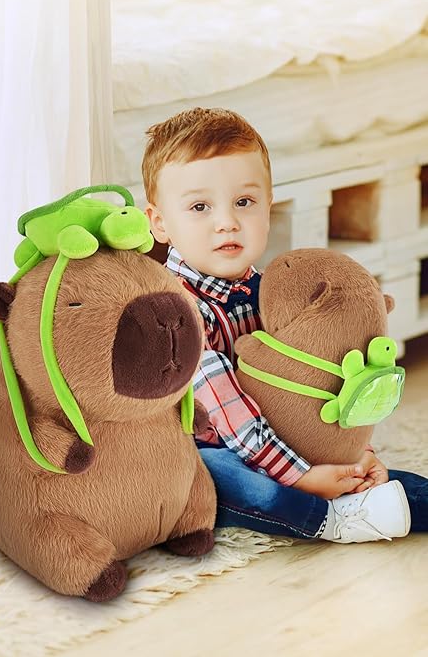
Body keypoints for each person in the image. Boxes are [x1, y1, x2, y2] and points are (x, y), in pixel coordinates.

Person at [141, 106, 427, 542]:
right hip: (203, 445)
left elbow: (322, 380)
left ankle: (392, 500)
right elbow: (231, 416)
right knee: (224, 479)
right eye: (200, 207)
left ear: (268, 206)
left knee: (375, 478)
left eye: (244, 202)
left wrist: (354, 454)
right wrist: (300, 474)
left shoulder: (274, 291)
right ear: (160, 223)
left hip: (280, 432)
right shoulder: (175, 312)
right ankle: (329, 520)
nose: (227, 222)